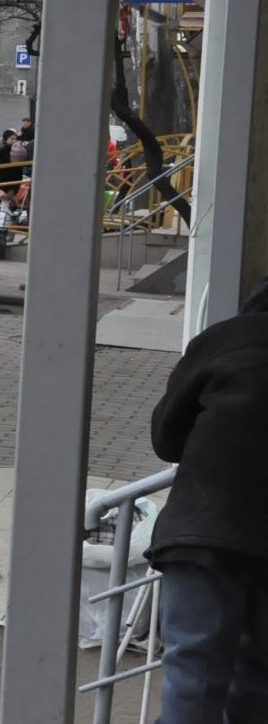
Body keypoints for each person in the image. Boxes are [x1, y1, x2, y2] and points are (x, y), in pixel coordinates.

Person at [144, 277, 268, 723]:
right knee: (259, 682)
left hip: (205, 533)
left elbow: (166, 437)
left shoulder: (226, 340)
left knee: (193, 678)